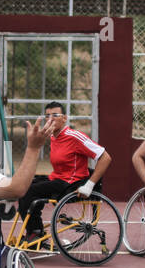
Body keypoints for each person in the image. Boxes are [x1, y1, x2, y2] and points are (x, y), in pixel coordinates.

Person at [15, 101, 112, 239]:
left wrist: (89, 185)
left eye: (55, 115)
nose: (50, 119)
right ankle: (34, 229)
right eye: (47, 116)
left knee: (30, 192)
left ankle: (35, 231)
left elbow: (105, 157)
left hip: (71, 183)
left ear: (64, 118)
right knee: (23, 186)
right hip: (58, 179)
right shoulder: (53, 136)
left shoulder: (74, 137)